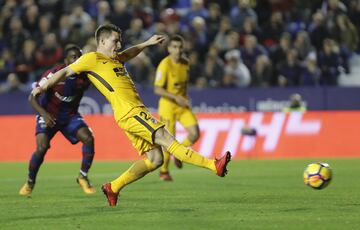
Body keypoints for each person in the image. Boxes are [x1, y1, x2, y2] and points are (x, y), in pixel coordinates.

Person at [31, 24, 231, 207]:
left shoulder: (115, 58)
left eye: (119, 40)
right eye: (114, 41)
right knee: (166, 139)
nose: (118, 44)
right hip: (131, 112)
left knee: (155, 159)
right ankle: (214, 165)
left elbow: (130, 53)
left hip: (132, 113)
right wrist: (44, 85)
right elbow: (65, 72)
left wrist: (147, 43)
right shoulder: (91, 59)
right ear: (102, 41)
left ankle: (113, 187)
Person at [19, 45, 96, 196]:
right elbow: (32, 97)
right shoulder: (53, 74)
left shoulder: (85, 77)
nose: (77, 60)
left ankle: (83, 176)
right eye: (73, 57)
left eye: (79, 57)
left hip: (69, 116)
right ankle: (30, 182)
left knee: (88, 138)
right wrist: (44, 114)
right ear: (65, 60)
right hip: (48, 115)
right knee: (41, 148)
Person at [154, 35, 200, 181]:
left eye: (180, 47)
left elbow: (183, 85)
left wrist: (184, 99)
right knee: (168, 142)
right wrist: (175, 98)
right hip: (168, 106)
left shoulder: (185, 63)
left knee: (195, 133)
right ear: (168, 49)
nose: (177, 50)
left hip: (182, 105)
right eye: (174, 47)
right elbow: (157, 89)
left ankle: (180, 153)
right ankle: (164, 171)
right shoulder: (164, 65)